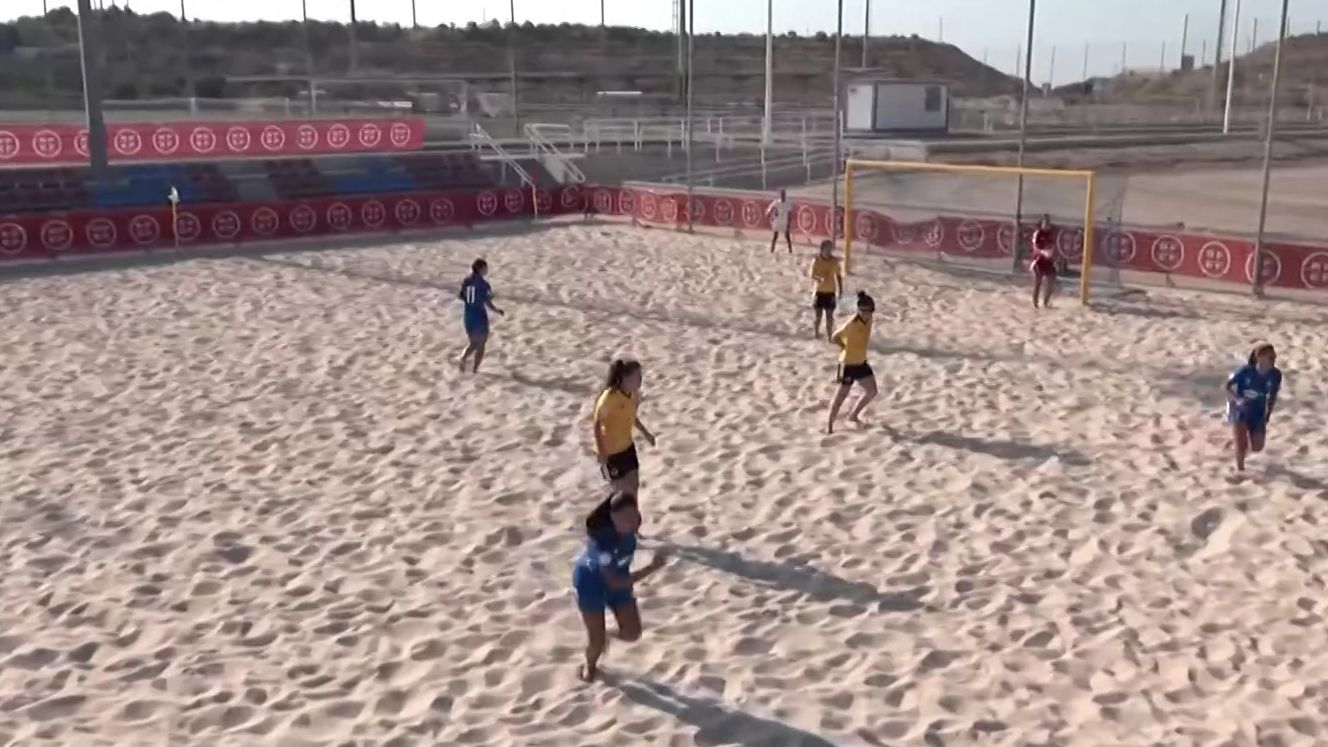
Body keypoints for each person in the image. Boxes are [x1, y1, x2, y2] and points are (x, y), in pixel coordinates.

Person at [572, 491, 667, 683]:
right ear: (612, 517)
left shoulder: (632, 528)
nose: (631, 522)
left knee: (632, 633)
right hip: (590, 585)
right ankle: (589, 666)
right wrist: (652, 567)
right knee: (596, 642)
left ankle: (607, 635)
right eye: (624, 518)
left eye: (633, 515)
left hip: (619, 577)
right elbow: (613, 581)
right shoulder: (602, 544)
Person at [593, 359, 657, 495]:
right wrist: (601, 452)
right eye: (637, 375)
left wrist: (646, 434)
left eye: (641, 375)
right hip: (611, 452)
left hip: (627, 447)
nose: (640, 379)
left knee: (634, 486)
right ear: (624, 378)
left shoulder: (634, 395)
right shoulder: (609, 398)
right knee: (621, 494)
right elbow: (597, 424)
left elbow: (632, 416)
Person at [1225, 342, 1283, 473]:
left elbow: (1273, 395)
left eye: (1274, 357)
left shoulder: (1276, 375)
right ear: (1260, 357)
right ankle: (1240, 469)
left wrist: (1268, 414)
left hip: (1258, 409)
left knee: (1257, 447)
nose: (1274, 359)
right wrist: (1237, 399)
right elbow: (1228, 386)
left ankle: (1236, 442)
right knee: (1241, 444)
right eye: (1271, 357)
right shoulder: (1245, 371)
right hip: (1239, 408)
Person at [827, 291, 878, 434]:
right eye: (865, 312)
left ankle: (853, 415)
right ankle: (829, 425)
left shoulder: (869, 320)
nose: (868, 315)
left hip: (861, 362)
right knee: (841, 397)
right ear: (859, 311)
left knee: (872, 391)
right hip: (848, 364)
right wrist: (844, 347)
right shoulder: (851, 325)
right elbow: (835, 336)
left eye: (870, 312)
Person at [457, 258, 505, 373]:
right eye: (485, 268)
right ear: (480, 269)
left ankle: (463, 358)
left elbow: (460, 296)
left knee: (473, 343)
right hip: (479, 317)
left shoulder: (466, 281)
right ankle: (475, 369)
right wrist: (497, 310)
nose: (487, 270)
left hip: (468, 317)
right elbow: (487, 301)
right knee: (481, 345)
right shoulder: (484, 284)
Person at [809, 239, 843, 342]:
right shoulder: (816, 260)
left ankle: (829, 336)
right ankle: (816, 333)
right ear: (822, 249)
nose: (829, 251)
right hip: (818, 292)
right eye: (827, 248)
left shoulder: (834, 261)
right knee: (818, 316)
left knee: (829, 316)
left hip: (830, 292)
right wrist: (818, 279)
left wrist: (841, 289)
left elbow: (838, 276)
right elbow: (812, 275)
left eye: (831, 248)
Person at [1029, 215, 1056, 309]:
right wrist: (1042, 252)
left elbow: (1052, 246)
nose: (1047, 225)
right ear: (1042, 224)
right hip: (1038, 260)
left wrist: (1051, 252)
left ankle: (1045, 302)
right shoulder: (1038, 233)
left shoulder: (1050, 234)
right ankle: (1035, 303)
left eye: (1048, 223)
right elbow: (1034, 247)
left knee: (1051, 281)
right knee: (1038, 281)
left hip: (1048, 261)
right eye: (1045, 223)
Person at [767, 189, 793, 254]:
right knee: (775, 236)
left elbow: (790, 213)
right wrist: (769, 213)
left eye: (783, 194)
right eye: (782, 195)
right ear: (780, 195)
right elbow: (770, 208)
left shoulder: (788, 203)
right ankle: (772, 249)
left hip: (784, 221)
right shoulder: (776, 202)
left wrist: (789, 223)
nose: (783, 196)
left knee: (787, 236)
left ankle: (790, 249)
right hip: (777, 221)